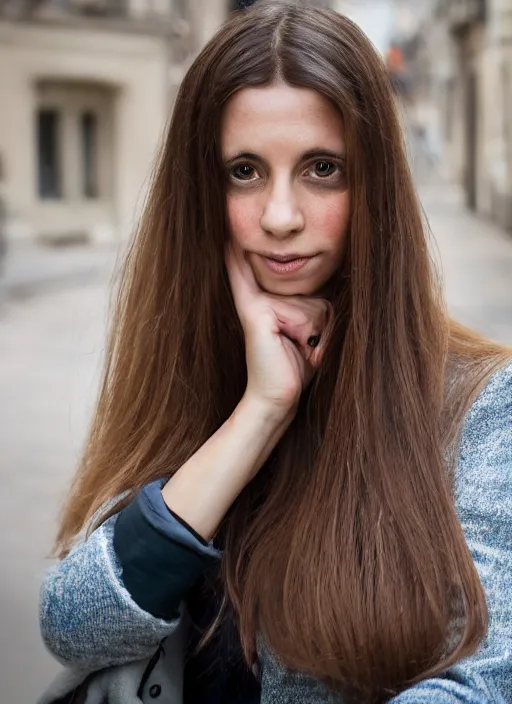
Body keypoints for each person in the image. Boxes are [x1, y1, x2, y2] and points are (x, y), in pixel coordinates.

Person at [38, 2, 512, 703]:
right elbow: (75, 627)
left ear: (374, 184)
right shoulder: (191, 376)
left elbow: (482, 681)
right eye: (245, 171)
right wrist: (258, 413)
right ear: (202, 190)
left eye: (322, 168)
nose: (281, 217)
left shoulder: (479, 403)